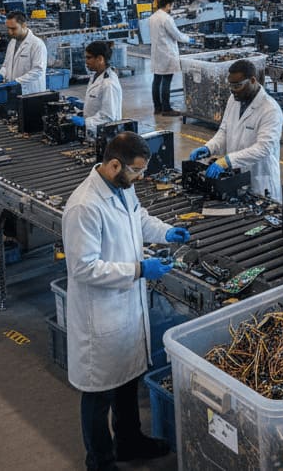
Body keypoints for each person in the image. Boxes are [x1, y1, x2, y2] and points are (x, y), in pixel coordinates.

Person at [62, 131, 191, 471]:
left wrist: (165, 232)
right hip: (99, 313)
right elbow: (83, 267)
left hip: (125, 307)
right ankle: (100, 460)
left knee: (126, 379)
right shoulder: (84, 206)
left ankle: (129, 442)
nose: (140, 177)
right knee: (98, 393)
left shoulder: (122, 187)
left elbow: (138, 218)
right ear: (114, 164)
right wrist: (139, 269)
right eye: (135, 171)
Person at [188, 59, 283, 203]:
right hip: (236, 178)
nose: (233, 90)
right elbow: (224, 131)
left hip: (260, 180)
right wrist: (209, 147)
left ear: (252, 80)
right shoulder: (234, 99)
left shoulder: (270, 110)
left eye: (237, 85)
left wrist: (227, 161)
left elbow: (264, 148)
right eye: (230, 85)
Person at [149, 0, 193, 117]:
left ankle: (157, 107)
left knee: (157, 80)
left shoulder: (152, 17)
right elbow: (176, 35)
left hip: (157, 52)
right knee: (167, 80)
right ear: (168, 5)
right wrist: (188, 39)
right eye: (172, 6)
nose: (172, 8)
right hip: (166, 53)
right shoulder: (166, 18)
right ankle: (167, 109)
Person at [70, 41, 123, 136]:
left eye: (89, 58)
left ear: (100, 59)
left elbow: (108, 117)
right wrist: (81, 106)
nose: (86, 61)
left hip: (104, 135)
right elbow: (98, 102)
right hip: (94, 133)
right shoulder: (96, 76)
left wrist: (85, 122)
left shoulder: (108, 84)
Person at [0, 11, 48, 95]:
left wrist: (17, 81)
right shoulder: (12, 42)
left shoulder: (37, 44)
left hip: (31, 92)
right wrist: (0, 74)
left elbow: (38, 70)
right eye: (8, 28)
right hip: (13, 91)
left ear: (24, 25)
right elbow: (6, 65)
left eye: (13, 28)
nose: (10, 32)